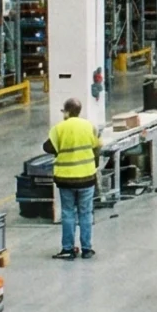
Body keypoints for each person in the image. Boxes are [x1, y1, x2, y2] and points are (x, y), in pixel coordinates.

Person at [46, 98, 103, 260]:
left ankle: (68, 249)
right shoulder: (89, 127)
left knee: (68, 213)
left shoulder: (59, 129)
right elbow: (98, 147)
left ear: (68, 111)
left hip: (66, 179)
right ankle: (87, 249)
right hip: (87, 177)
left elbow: (48, 147)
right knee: (86, 213)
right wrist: (94, 165)